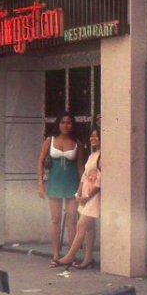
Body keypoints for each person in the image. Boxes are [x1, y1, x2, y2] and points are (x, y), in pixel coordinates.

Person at [38, 112, 84, 267]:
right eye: (63, 122)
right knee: (55, 219)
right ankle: (56, 255)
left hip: (72, 182)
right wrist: (40, 183)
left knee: (72, 219)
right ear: (58, 124)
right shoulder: (50, 140)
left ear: (72, 124)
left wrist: (82, 187)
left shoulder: (77, 142)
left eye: (69, 122)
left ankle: (71, 255)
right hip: (54, 182)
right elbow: (40, 161)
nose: (65, 125)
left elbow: (80, 166)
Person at [55, 126, 100, 269]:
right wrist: (79, 192)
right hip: (86, 194)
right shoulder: (92, 155)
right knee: (89, 228)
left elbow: (100, 181)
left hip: (94, 196)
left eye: (96, 136)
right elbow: (84, 176)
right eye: (91, 136)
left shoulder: (102, 156)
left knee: (81, 224)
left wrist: (87, 196)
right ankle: (88, 258)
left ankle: (69, 256)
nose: (93, 138)